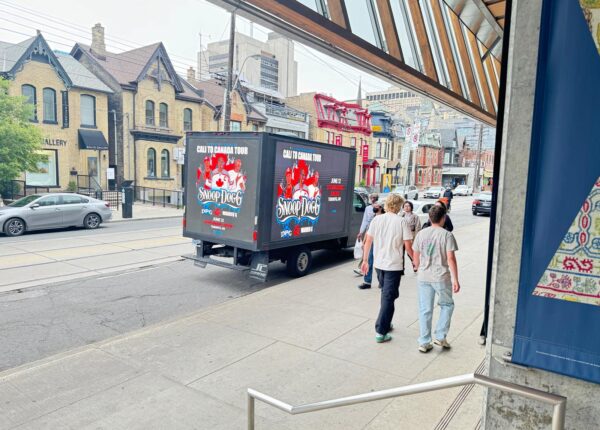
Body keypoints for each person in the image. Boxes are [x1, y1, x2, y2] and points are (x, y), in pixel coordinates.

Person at [361, 194, 414, 343]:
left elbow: (368, 241)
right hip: (393, 266)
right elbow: (408, 246)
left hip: (379, 265)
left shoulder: (377, 220)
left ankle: (386, 320)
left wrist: (365, 260)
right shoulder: (401, 221)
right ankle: (380, 331)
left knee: (388, 295)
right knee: (388, 297)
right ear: (398, 206)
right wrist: (416, 261)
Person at [412, 204, 460, 353]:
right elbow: (451, 258)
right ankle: (440, 336)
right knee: (447, 305)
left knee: (425, 309)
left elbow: (416, 256)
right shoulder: (447, 235)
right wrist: (455, 279)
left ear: (430, 218)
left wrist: (418, 267)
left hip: (424, 276)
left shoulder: (421, 234)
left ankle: (424, 342)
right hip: (441, 276)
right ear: (443, 218)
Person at [355, 193, 379, 287]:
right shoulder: (368, 208)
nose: (373, 199)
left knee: (378, 258)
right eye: (371, 197)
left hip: (379, 236)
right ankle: (367, 281)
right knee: (369, 258)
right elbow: (365, 221)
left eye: (374, 198)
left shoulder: (380, 207)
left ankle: (381, 281)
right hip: (370, 233)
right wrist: (361, 232)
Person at [401, 201, 421, 272]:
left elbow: (418, 228)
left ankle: (415, 265)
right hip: (402, 237)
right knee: (401, 253)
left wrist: (415, 238)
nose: (406, 207)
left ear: (411, 207)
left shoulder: (415, 216)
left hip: (411, 236)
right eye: (405, 206)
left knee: (410, 253)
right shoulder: (401, 216)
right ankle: (401, 269)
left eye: (408, 206)